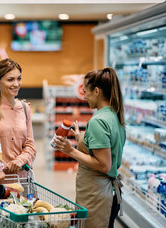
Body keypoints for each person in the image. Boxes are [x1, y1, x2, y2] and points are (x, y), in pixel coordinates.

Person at [53, 67, 126, 228]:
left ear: (97, 91)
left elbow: (104, 165)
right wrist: (83, 139)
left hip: (97, 196)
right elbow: (106, 148)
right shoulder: (114, 114)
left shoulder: (98, 121)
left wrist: (70, 150)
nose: (84, 96)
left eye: (86, 91)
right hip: (107, 193)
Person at [0, 58, 36, 178]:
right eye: (10, 80)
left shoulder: (24, 108)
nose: (16, 84)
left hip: (21, 179)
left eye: (19, 78)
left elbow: (30, 146)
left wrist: (21, 160)